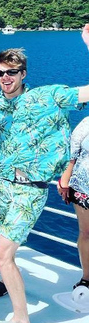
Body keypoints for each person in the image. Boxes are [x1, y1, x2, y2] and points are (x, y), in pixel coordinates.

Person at [0, 24, 89, 323]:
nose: (5, 78)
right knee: (3, 248)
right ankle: (4, 278)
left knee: (0, 252)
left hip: (29, 189)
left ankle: (22, 319)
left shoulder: (48, 96)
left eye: (11, 72)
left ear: (23, 73)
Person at [59, 116, 89, 291]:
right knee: (85, 233)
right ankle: (87, 278)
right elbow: (72, 152)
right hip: (83, 188)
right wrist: (65, 180)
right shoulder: (86, 122)